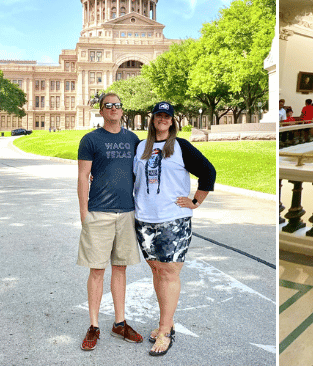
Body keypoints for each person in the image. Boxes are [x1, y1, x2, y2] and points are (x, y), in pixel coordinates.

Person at [133, 101, 216, 357]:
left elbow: (208, 172)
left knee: (168, 272)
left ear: (172, 121)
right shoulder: (140, 147)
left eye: (167, 116)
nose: (162, 119)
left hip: (173, 220)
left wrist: (195, 202)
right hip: (145, 219)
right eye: (158, 115)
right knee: (157, 270)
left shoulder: (180, 147)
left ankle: (165, 330)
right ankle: (165, 321)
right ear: (153, 120)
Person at [77, 93, 143, 351]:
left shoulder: (132, 140)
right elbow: (83, 176)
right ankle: (94, 325)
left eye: (117, 105)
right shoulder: (91, 139)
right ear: (101, 111)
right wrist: (84, 213)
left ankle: (119, 322)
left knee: (120, 268)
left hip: (127, 213)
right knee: (97, 270)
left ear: (122, 110)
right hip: (99, 213)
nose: (114, 109)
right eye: (108, 105)